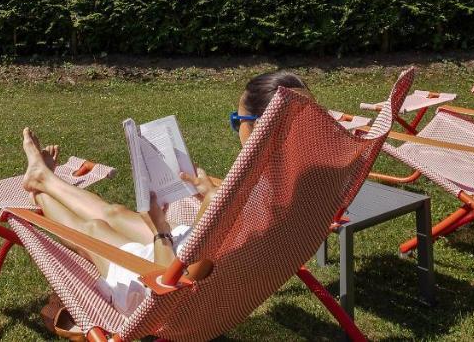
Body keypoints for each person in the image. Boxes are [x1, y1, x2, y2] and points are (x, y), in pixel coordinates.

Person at [21, 68, 309, 314]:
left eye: (237, 121)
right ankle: (45, 178)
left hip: (169, 290)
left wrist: (160, 230)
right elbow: (240, 212)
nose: (236, 129)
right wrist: (210, 193)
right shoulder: (301, 184)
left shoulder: (229, 207)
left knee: (96, 229)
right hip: (211, 271)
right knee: (116, 213)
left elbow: (172, 288)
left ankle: (40, 187)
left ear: (257, 126)